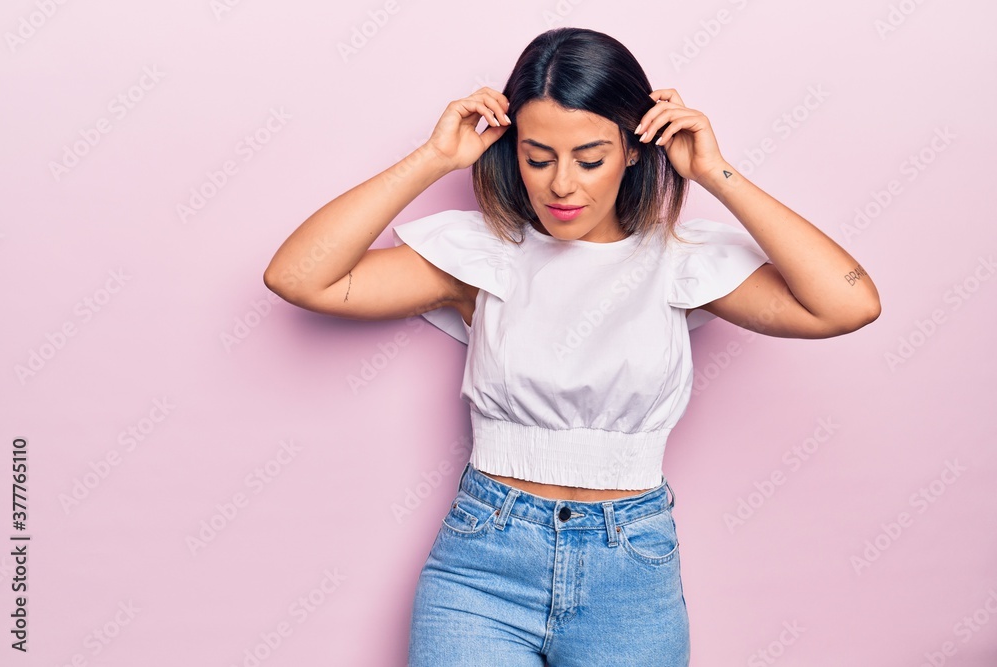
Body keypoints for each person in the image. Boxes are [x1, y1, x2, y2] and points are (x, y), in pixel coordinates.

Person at [263, 26, 880, 667]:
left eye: (590, 159)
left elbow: (848, 303)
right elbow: (299, 276)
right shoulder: (486, 255)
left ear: (636, 149)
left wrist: (713, 172)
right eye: (537, 158)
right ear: (512, 151)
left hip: (630, 571)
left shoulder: (677, 264)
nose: (562, 185)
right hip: (483, 564)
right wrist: (433, 159)